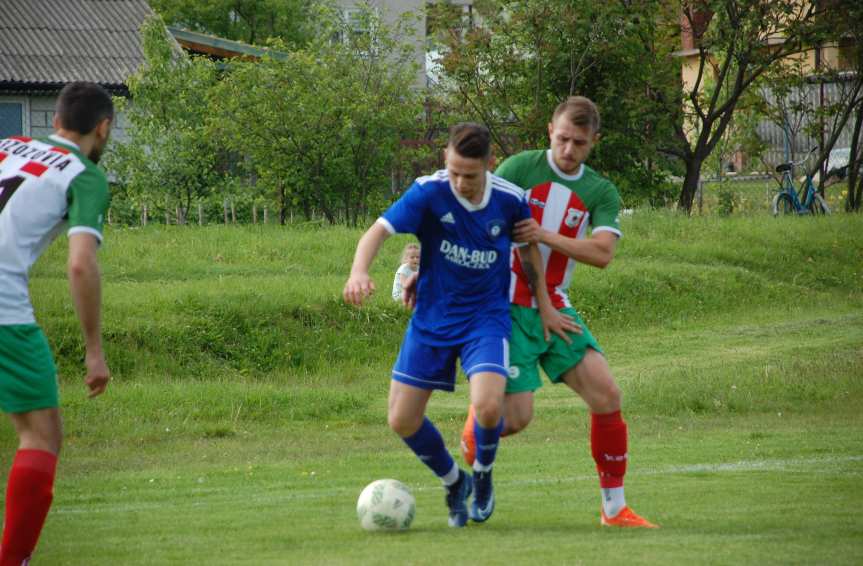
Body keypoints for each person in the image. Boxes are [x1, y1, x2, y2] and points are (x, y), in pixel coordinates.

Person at [344, 123, 568, 527]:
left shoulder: (510, 200)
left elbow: (530, 252)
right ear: (445, 160)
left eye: (470, 174)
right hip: (432, 318)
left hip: (486, 318)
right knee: (401, 419)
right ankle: (454, 483)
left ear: (489, 165)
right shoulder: (429, 191)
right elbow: (377, 231)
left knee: (486, 405)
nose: (460, 182)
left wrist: (545, 305)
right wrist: (359, 271)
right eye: (454, 171)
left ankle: (482, 474)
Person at [459, 96, 658, 528]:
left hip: (555, 307)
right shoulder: (518, 170)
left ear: (593, 142)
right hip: (505, 306)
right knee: (514, 420)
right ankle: (476, 437)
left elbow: (603, 253)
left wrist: (545, 235)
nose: (569, 150)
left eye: (580, 143)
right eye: (563, 138)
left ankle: (614, 509)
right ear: (550, 129)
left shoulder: (600, 190)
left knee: (607, 395)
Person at [0, 82, 114, 564]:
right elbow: (80, 265)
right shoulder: (85, 176)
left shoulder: (6, 145)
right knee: (42, 435)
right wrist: (94, 348)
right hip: (4, 310)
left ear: (55, 120)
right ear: (103, 128)